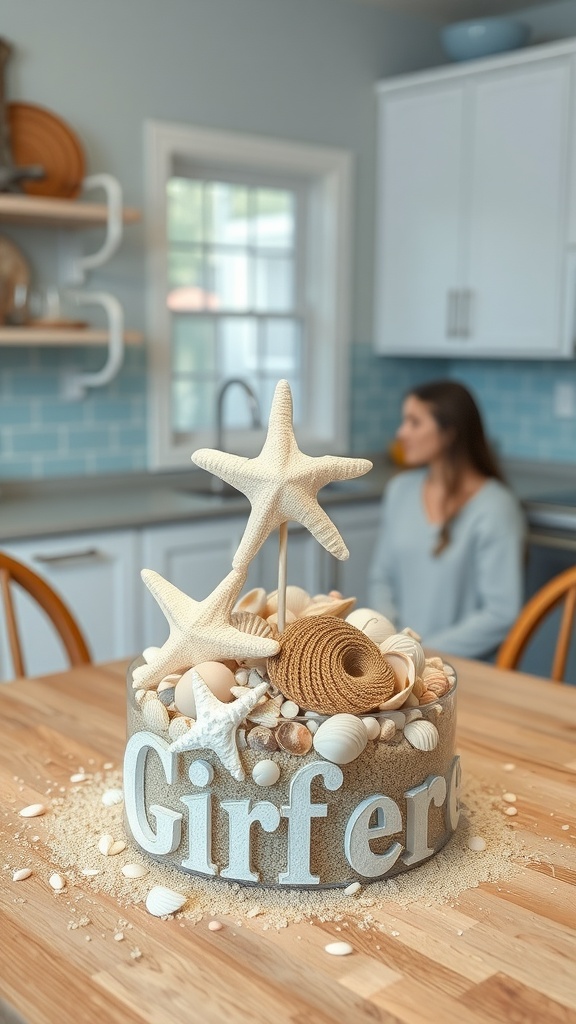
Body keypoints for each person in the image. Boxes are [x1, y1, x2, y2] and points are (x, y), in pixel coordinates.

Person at [368, 380, 525, 660]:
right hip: (398, 662)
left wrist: (423, 653)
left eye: (414, 423)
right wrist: (392, 645)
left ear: (450, 432)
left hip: (463, 671)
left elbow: (500, 613)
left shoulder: (495, 507)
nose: (401, 433)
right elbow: (381, 579)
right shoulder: (400, 491)